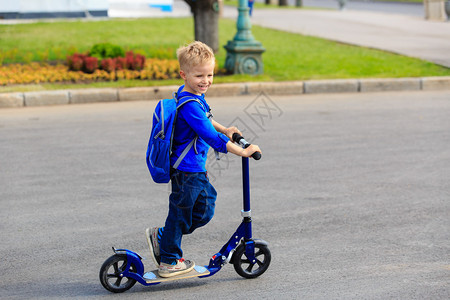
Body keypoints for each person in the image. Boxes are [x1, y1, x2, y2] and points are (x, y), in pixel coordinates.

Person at [145, 41, 261, 278]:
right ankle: (168, 260)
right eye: (199, 75)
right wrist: (243, 151)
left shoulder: (192, 95)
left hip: (195, 169)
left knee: (205, 209)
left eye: (209, 74)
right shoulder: (189, 104)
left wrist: (226, 128)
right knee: (180, 214)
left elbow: (207, 120)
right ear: (183, 74)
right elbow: (209, 136)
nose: (206, 80)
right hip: (186, 170)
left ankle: (163, 236)